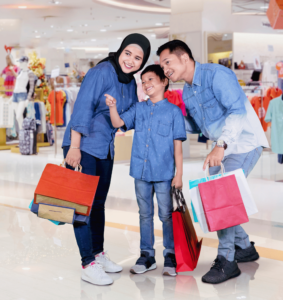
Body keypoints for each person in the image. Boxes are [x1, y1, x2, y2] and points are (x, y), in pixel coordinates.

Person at [157, 40, 269, 284]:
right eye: (161, 65)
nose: (165, 69)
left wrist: (221, 145)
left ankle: (227, 260)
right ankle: (243, 247)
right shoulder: (187, 91)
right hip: (221, 147)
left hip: (243, 142)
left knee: (223, 197)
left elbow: (237, 111)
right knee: (214, 201)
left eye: (167, 62)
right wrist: (173, 117)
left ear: (184, 58)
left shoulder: (217, 75)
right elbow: (201, 127)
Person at [62, 33, 151, 286]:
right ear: (120, 51)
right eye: (128, 54)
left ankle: (98, 253)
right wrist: (75, 146)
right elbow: (83, 107)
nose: (131, 61)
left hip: (105, 148)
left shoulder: (130, 83)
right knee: (82, 206)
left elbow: (124, 119)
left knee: (98, 204)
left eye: (138, 58)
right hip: (83, 145)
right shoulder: (101, 72)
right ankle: (87, 263)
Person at [105, 64, 187, 277]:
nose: (146, 84)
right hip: (140, 172)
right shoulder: (138, 108)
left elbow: (178, 147)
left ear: (164, 82)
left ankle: (170, 254)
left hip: (164, 173)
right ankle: (147, 255)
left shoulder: (174, 112)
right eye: (143, 81)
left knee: (166, 215)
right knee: (144, 215)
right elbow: (119, 123)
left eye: (150, 79)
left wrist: (179, 174)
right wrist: (113, 107)